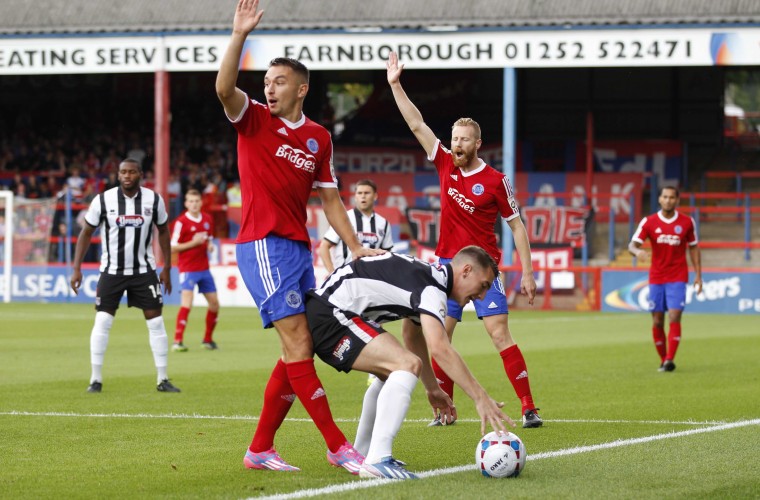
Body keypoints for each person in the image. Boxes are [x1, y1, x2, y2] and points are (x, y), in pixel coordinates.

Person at [215, 0, 382, 474]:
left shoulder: (318, 138)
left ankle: (260, 449)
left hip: (296, 248)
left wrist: (354, 246)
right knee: (299, 345)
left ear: (301, 89)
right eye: (266, 81)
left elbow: (330, 199)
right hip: (262, 243)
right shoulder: (253, 120)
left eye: (279, 81)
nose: (269, 88)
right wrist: (239, 35)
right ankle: (337, 445)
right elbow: (224, 87)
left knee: (298, 345)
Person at [386, 51, 543, 429]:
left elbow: (517, 226)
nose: (456, 143)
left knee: (498, 332)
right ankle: (446, 410)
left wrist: (528, 272)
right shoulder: (443, 161)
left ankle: (528, 407)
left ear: (477, 144)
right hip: (445, 268)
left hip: (484, 269)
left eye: (463, 140)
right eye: (454, 137)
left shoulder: (495, 181)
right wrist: (395, 84)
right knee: (440, 338)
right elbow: (416, 123)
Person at [306, 246, 515, 479]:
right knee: (406, 365)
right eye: (483, 285)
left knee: (393, 371)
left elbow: (412, 335)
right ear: (466, 271)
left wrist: (432, 389)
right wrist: (480, 397)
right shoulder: (432, 287)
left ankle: (363, 453)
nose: (482, 296)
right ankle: (378, 460)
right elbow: (440, 347)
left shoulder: (430, 277)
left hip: (328, 311)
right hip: (331, 315)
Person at [69, 158, 180, 394]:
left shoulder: (154, 200)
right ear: (118, 175)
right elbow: (86, 232)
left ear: (140, 174)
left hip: (144, 272)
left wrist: (167, 267)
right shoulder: (103, 200)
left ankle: (163, 379)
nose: (127, 176)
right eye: (123, 172)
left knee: (156, 322)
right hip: (111, 272)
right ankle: (95, 379)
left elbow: (163, 232)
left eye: (131, 172)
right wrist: (76, 267)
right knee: (103, 321)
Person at [628, 186, 702, 372]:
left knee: (675, 315)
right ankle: (663, 359)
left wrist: (698, 275)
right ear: (659, 199)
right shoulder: (649, 221)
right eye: (665, 197)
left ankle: (670, 359)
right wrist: (637, 251)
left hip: (677, 275)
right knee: (658, 321)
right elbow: (632, 244)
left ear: (677, 200)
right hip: (657, 277)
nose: (668, 200)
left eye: (672, 197)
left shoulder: (687, 222)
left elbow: (693, 247)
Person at [170, 189, 220, 352]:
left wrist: (210, 245)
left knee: (214, 304)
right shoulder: (181, 222)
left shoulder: (207, 219)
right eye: (191, 201)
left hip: (204, 268)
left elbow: (209, 239)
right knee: (187, 303)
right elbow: (172, 248)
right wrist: (193, 243)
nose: (194, 204)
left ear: (201, 202)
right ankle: (178, 341)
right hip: (188, 269)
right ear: (186, 204)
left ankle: (207, 339)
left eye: (196, 201)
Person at [318, 179, 394, 274]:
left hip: (372, 278)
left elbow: (387, 254)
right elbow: (324, 246)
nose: (363, 196)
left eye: (367, 193)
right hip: (346, 277)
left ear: (375, 196)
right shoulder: (343, 219)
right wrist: (331, 272)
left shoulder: (383, 223)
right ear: (355, 197)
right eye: (359, 193)